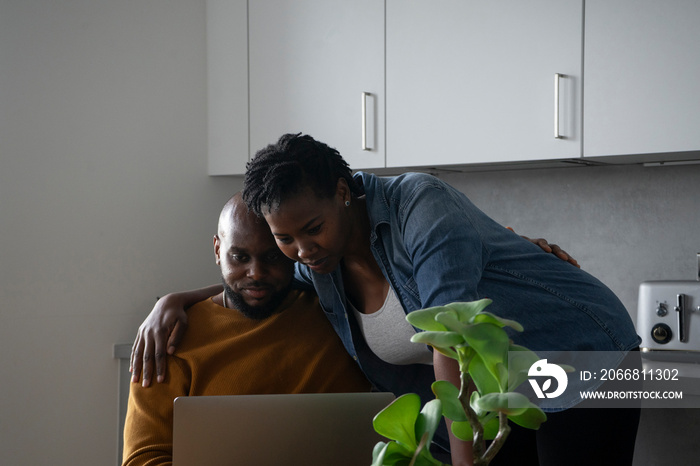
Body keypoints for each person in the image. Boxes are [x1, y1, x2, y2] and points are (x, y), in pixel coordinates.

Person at [131, 134, 641, 465]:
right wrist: (174, 300)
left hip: (586, 354)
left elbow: (451, 341)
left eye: (311, 230)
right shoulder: (318, 265)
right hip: (500, 383)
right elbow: (262, 278)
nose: (302, 251)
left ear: (342, 192)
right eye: (286, 240)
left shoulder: (419, 202)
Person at [122, 193, 370, 466]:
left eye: (272, 257)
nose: (256, 273)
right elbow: (142, 459)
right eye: (240, 257)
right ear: (218, 250)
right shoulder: (170, 338)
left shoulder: (333, 310)